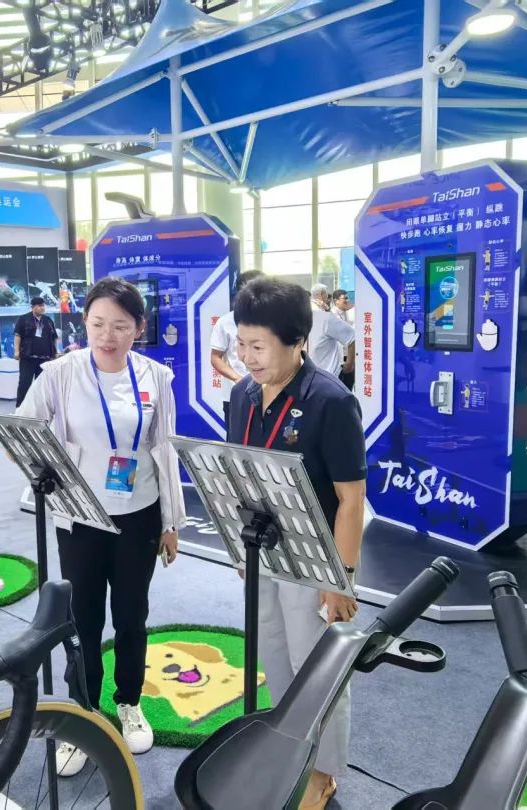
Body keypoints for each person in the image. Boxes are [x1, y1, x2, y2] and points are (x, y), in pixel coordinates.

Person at [16, 277, 186, 773]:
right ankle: (83, 712)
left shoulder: (156, 377)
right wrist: (44, 468)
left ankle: (128, 701)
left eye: (120, 326)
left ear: (139, 327)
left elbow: (166, 450)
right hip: (80, 515)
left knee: (131, 615)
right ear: (85, 323)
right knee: (82, 619)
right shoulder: (60, 373)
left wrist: (171, 521)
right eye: (97, 324)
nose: (107, 336)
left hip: (140, 515)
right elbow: (22, 430)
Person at [226, 278, 366, 810]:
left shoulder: (331, 401)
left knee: (318, 668)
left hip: (315, 557)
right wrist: (242, 549)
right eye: (242, 344)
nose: (246, 358)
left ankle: (322, 773)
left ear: (298, 341)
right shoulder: (241, 395)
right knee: (275, 655)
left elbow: (351, 499)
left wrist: (340, 579)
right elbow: (240, 473)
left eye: (258, 347)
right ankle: (289, 748)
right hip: (264, 550)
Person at [210, 270, 263, 434]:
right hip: (236, 394)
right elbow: (215, 357)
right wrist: (238, 379)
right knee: (236, 441)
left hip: (269, 392)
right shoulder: (225, 322)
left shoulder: (274, 321)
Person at [13, 296, 58, 406]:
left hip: (44, 358)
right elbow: (17, 336)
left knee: (42, 385)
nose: (42, 308)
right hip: (28, 357)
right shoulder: (23, 319)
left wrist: (55, 352)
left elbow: (54, 338)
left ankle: (40, 408)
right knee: (24, 383)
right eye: (39, 306)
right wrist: (16, 351)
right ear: (33, 307)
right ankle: (20, 407)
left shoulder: (48, 320)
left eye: (43, 305)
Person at [308, 283, 356, 379]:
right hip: (324, 370)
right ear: (321, 294)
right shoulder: (322, 314)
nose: (347, 301)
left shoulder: (325, 313)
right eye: (345, 298)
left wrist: (349, 363)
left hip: (327, 369)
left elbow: (351, 336)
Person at [331, 289, 356, 390]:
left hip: (348, 355)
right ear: (336, 301)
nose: (347, 300)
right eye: (344, 298)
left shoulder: (346, 313)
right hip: (339, 358)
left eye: (348, 298)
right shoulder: (332, 315)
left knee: (349, 385)